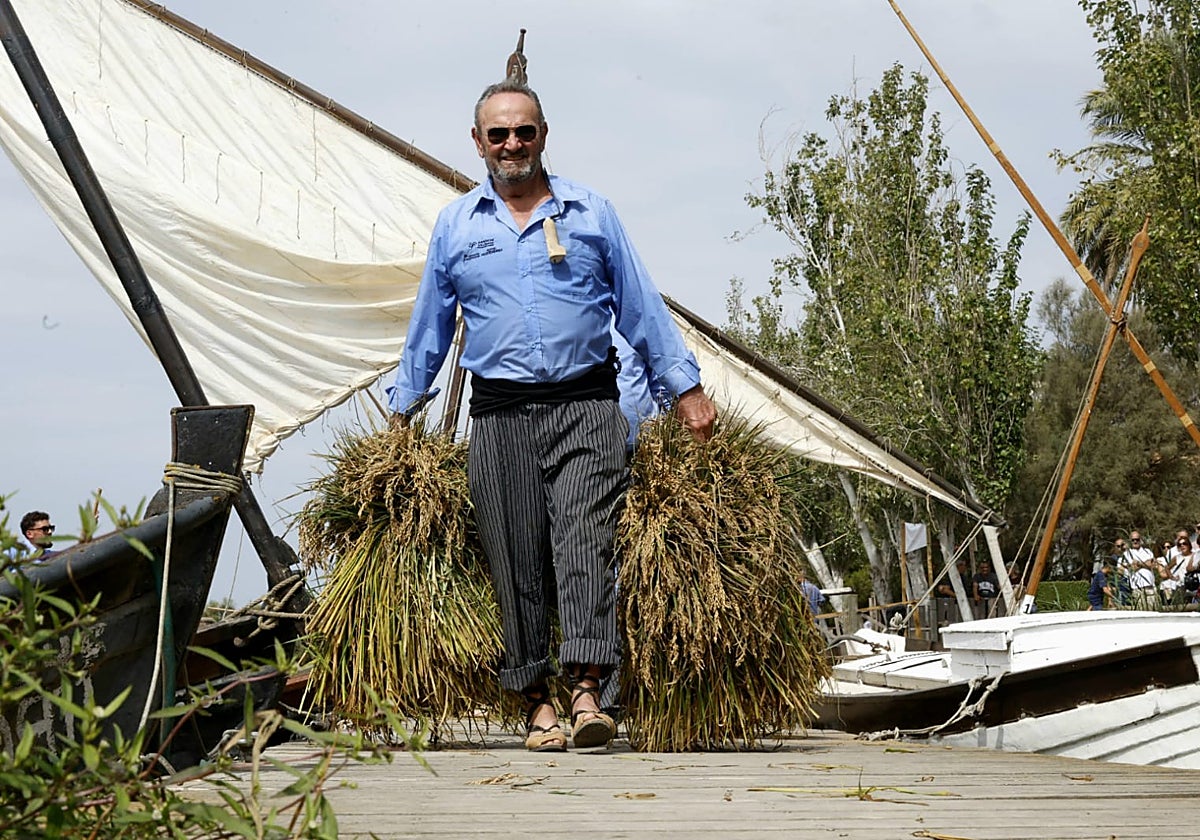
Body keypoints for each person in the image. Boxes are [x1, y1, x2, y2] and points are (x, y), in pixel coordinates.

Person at [387, 79, 716, 752]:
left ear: (543, 135)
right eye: (499, 133)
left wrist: (684, 389)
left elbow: (641, 306)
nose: (512, 144)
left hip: (587, 406)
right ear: (478, 142)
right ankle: (537, 703)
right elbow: (430, 325)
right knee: (515, 554)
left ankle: (588, 691)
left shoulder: (591, 212)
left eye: (524, 131)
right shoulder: (457, 226)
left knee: (585, 540)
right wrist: (402, 411)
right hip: (500, 416)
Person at [1119, 531, 1161, 609]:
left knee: (1154, 610)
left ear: (1140, 540)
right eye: (1133, 540)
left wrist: (1139, 563)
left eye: (1137, 539)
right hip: (1137, 588)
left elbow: (1153, 564)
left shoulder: (1147, 551)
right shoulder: (1127, 554)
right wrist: (1145, 563)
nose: (1135, 541)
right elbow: (1132, 568)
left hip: (1150, 586)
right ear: (1130, 541)